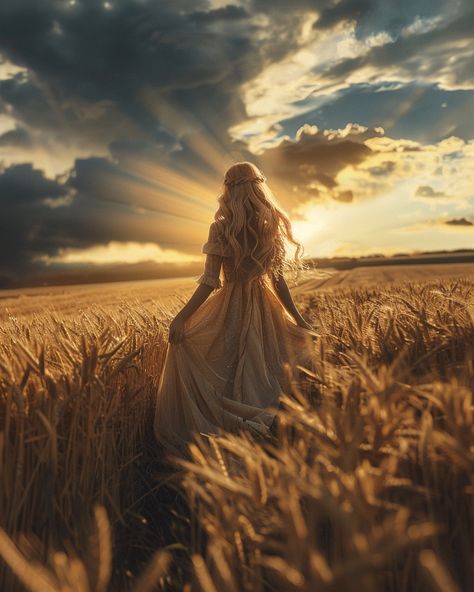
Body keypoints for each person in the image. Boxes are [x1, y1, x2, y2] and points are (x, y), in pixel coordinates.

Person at [154, 161, 316, 454]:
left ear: (227, 190)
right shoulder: (270, 225)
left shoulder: (220, 227)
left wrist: (181, 317)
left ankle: (241, 432)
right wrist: (298, 318)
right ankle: (268, 431)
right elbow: (278, 281)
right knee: (262, 369)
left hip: (229, 308)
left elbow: (209, 282)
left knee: (227, 369)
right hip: (264, 308)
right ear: (257, 187)